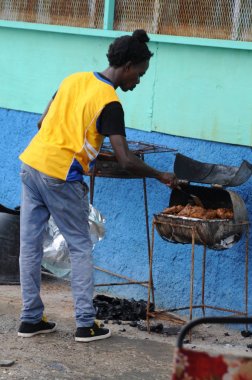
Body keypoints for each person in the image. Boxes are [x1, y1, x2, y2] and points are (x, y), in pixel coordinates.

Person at [18, 29, 177, 342]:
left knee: (29, 245)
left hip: (32, 163)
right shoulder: (111, 102)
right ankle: (85, 325)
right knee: (80, 247)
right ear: (128, 66)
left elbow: (43, 124)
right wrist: (161, 175)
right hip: (60, 175)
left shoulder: (73, 79)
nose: (138, 82)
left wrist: (83, 144)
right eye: (140, 74)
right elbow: (126, 160)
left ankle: (30, 319)